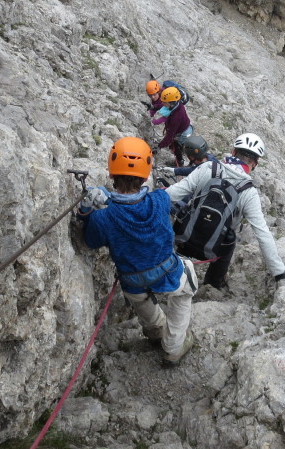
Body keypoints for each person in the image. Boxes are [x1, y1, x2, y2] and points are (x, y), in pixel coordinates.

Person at [77, 137, 197, 366]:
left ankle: (155, 331)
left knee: (139, 297)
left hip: (132, 279)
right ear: (145, 174)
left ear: (112, 173)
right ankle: (173, 348)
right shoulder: (159, 200)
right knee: (186, 286)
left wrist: (86, 210)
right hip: (166, 270)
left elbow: (90, 241)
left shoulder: (103, 217)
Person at [165, 132, 285, 291]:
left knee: (183, 211)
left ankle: (168, 265)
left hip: (182, 239)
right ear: (255, 164)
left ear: (233, 152)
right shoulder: (248, 192)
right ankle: (213, 284)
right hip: (212, 250)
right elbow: (262, 233)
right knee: (230, 240)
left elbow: (172, 195)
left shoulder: (208, 168)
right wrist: (279, 271)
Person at [153, 86, 191, 166]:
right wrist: (153, 107)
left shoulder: (176, 117)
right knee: (173, 143)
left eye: (164, 102)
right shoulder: (176, 104)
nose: (162, 103)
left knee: (176, 146)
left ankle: (180, 161)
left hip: (182, 132)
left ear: (171, 102)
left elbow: (170, 135)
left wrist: (159, 147)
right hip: (184, 126)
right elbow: (163, 106)